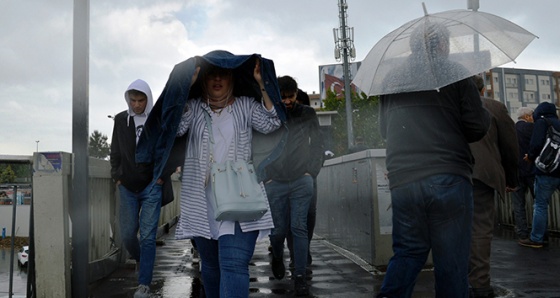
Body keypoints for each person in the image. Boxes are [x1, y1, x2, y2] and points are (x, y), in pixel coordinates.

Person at [376, 23, 491, 298]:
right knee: (451, 261)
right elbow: (476, 127)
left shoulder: (391, 79)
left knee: (408, 253)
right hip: (448, 176)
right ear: (442, 45)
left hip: (404, 180)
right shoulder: (456, 74)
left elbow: (384, 130)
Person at [174, 53, 282, 298]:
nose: (218, 79)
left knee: (233, 264)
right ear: (203, 79)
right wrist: (184, 88)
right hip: (203, 201)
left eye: (223, 73)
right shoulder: (193, 108)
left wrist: (262, 84)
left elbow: (272, 122)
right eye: (212, 73)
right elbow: (175, 127)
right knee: (211, 267)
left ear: (232, 77)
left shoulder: (245, 105)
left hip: (239, 196)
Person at [264, 77, 324, 296]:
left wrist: (311, 172)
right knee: (278, 230)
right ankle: (278, 255)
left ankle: (300, 276)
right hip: (275, 181)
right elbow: (259, 144)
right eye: (283, 97)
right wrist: (266, 176)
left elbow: (317, 143)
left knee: (299, 227)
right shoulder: (270, 114)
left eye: (290, 97)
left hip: (301, 179)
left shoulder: (307, 113)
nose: (287, 101)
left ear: (296, 94)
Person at [110, 79, 163, 298]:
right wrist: (117, 176)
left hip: (152, 185)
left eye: (141, 100)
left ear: (148, 99)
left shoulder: (156, 120)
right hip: (127, 186)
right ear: (128, 99)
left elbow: (165, 148)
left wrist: (162, 176)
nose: (137, 104)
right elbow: (115, 149)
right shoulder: (122, 120)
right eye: (133, 100)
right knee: (127, 234)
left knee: (148, 237)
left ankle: (144, 285)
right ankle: (142, 259)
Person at [468, 75, 519, 298]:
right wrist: (512, 179)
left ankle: (455, 281)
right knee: (480, 230)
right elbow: (510, 147)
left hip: (450, 174)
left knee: (453, 230)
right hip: (483, 176)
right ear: (482, 89)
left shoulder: (447, 108)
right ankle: (480, 284)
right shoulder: (495, 107)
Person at [286, 89, 321, 270]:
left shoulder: (308, 117)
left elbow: (318, 143)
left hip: (307, 175)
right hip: (289, 176)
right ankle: (296, 253)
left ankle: (303, 249)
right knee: (293, 218)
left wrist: (312, 171)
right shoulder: (286, 117)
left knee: (309, 214)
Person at [521, 101, 560, 248]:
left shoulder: (542, 123)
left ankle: (537, 239)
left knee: (541, 205)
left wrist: (530, 157)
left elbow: (536, 144)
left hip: (546, 170)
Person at [512, 107, 535, 241]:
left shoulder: (512, 129)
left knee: (518, 204)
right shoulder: (532, 129)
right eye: (531, 115)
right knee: (538, 203)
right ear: (527, 117)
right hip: (531, 170)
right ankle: (540, 232)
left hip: (516, 172)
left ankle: (522, 233)